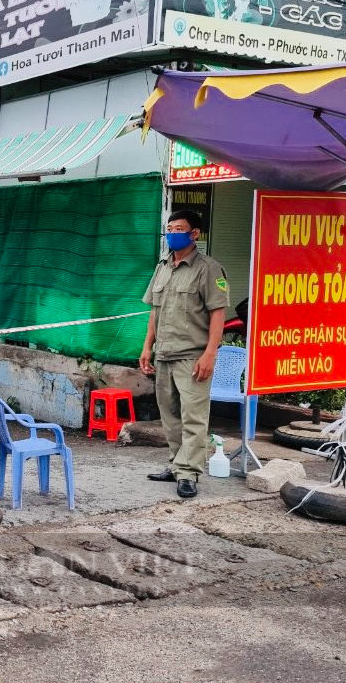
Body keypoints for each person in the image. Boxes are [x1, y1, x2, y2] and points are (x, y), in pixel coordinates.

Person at [139, 210, 229, 499]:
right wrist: (146, 347)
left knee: (194, 416)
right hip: (164, 353)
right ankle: (177, 465)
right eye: (169, 228)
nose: (172, 233)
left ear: (194, 234)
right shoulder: (162, 267)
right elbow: (155, 310)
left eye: (179, 228)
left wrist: (210, 353)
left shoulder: (208, 269)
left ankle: (189, 473)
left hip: (192, 355)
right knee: (170, 415)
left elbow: (218, 313)